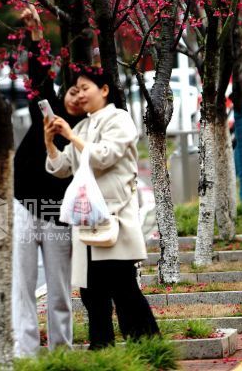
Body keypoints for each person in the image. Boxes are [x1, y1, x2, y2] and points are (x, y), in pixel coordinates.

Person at [44, 67, 160, 350]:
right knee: (92, 293)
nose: (80, 95)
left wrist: (71, 137)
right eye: (77, 90)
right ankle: (102, 351)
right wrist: (50, 142)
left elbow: (104, 156)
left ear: (104, 90)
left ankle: (147, 347)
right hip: (88, 221)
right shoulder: (82, 128)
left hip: (114, 218)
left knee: (124, 289)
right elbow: (62, 168)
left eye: (86, 88)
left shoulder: (119, 119)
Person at [12, 5, 86, 356]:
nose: (76, 97)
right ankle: (25, 354)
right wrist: (35, 34)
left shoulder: (85, 131)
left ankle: (62, 353)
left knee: (58, 291)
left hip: (59, 214)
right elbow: (40, 79)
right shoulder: (49, 111)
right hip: (25, 205)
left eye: (83, 93)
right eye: (72, 91)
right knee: (22, 287)